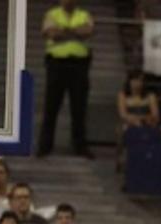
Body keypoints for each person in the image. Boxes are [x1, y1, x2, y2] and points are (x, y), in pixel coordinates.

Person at [37, 0, 94, 158]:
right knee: (51, 106)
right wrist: (75, 33)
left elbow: (88, 31)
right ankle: (45, 146)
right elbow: (51, 34)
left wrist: (62, 32)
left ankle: (80, 146)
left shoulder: (84, 14)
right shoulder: (51, 14)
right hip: (57, 65)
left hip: (79, 66)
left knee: (79, 108)